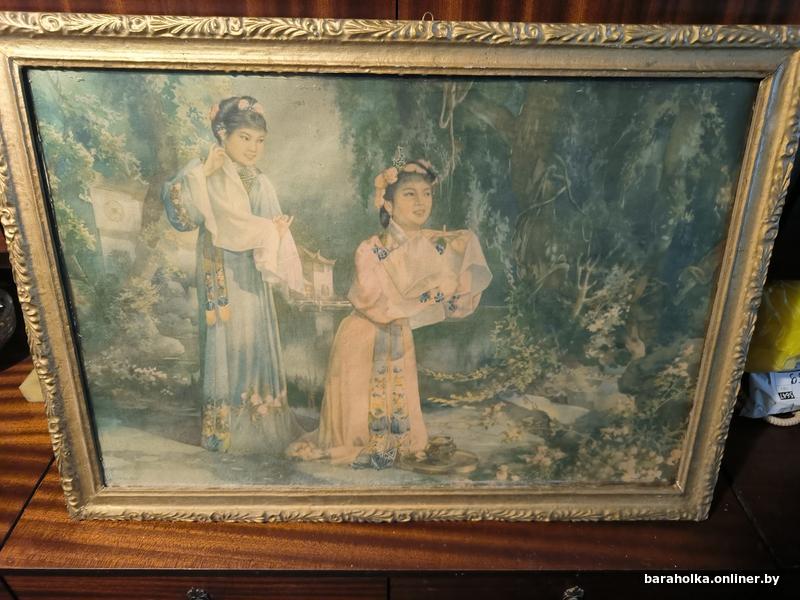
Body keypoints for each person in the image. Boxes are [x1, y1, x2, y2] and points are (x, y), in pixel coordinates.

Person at [288, 159, 492, 469]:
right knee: (358, 434)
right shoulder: (370, 249)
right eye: (410, 194)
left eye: (426, 194)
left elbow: (456, 285)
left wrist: (450, 283)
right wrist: (430, 292)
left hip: (398, 335)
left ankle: (394, 444)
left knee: (401, 432)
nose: (421, 202)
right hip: (362, 339)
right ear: (388, 204)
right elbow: (379, 304)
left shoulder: (434, 244)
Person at [162, 95, 304, 455]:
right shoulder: (202, 172)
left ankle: (258, 420)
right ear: (222, 134)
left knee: (251, 337)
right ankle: (222, 429)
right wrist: (204, 172)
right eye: (245, 138)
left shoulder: (259, 182)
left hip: (250, 273)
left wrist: (277, 231)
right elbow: (182, 217)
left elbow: (273, 232)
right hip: (217, 267)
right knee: (221, 338)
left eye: (259, 140)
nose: (253, 148)